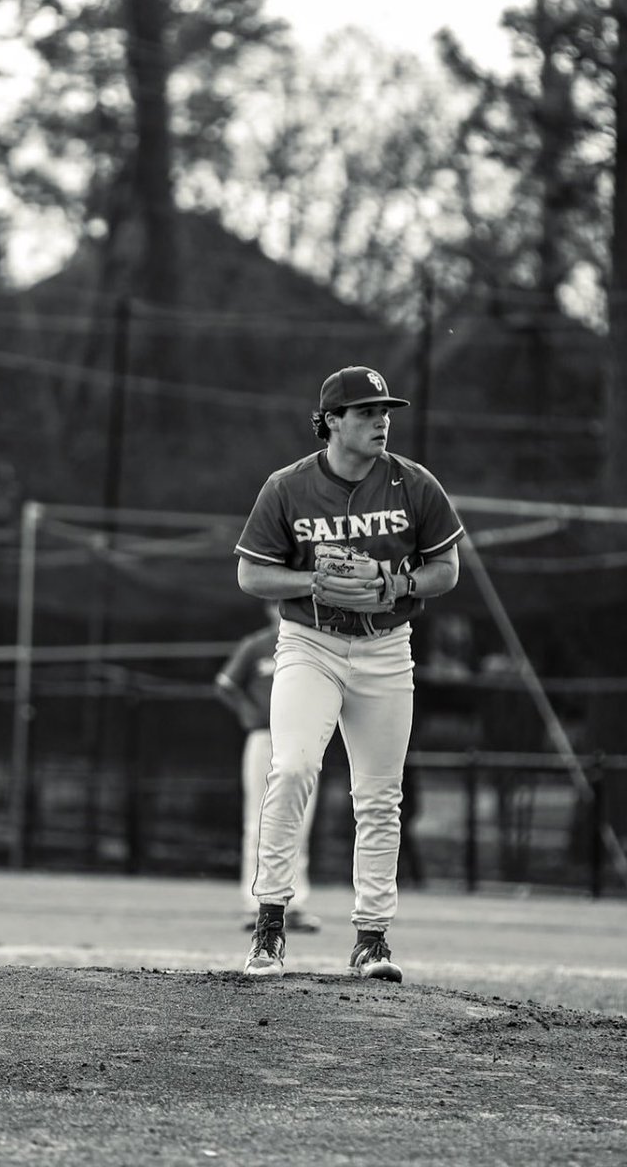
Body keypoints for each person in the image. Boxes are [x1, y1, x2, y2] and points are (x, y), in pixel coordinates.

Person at [234, 365, 464, 981]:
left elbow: (447, 570)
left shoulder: (414, 484)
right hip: (310, 644)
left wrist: (397, 582)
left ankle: (371, 939)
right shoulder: (287, 487)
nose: (381, 422)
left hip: (387, 648)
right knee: (291, 769)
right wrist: (316, 580)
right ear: (331, 421)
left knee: (380, 795)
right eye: (366, 412)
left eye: (384, 411)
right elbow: (251, 575)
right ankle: (270, 929)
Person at [214, 603, 322, 933]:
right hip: (264, 737)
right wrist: (248, 713)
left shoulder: (315, 643)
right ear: (268, 608)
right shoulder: (257, 645)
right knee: (258, 823)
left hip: (303, 740)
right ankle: (254, 904)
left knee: (299, 823)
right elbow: (226, 684)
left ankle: (296, 904)